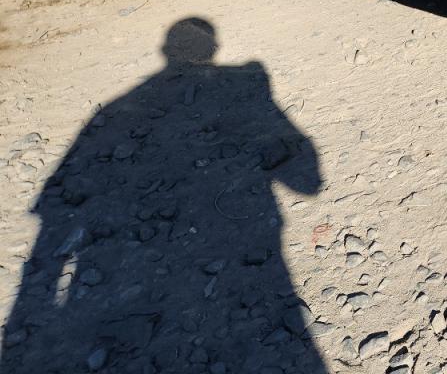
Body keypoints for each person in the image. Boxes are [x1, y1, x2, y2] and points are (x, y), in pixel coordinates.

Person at [0, 18, 325, 374]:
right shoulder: (245, 83)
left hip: (113, 282)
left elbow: (51, 226)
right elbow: (308, 183)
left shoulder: (113, 110)